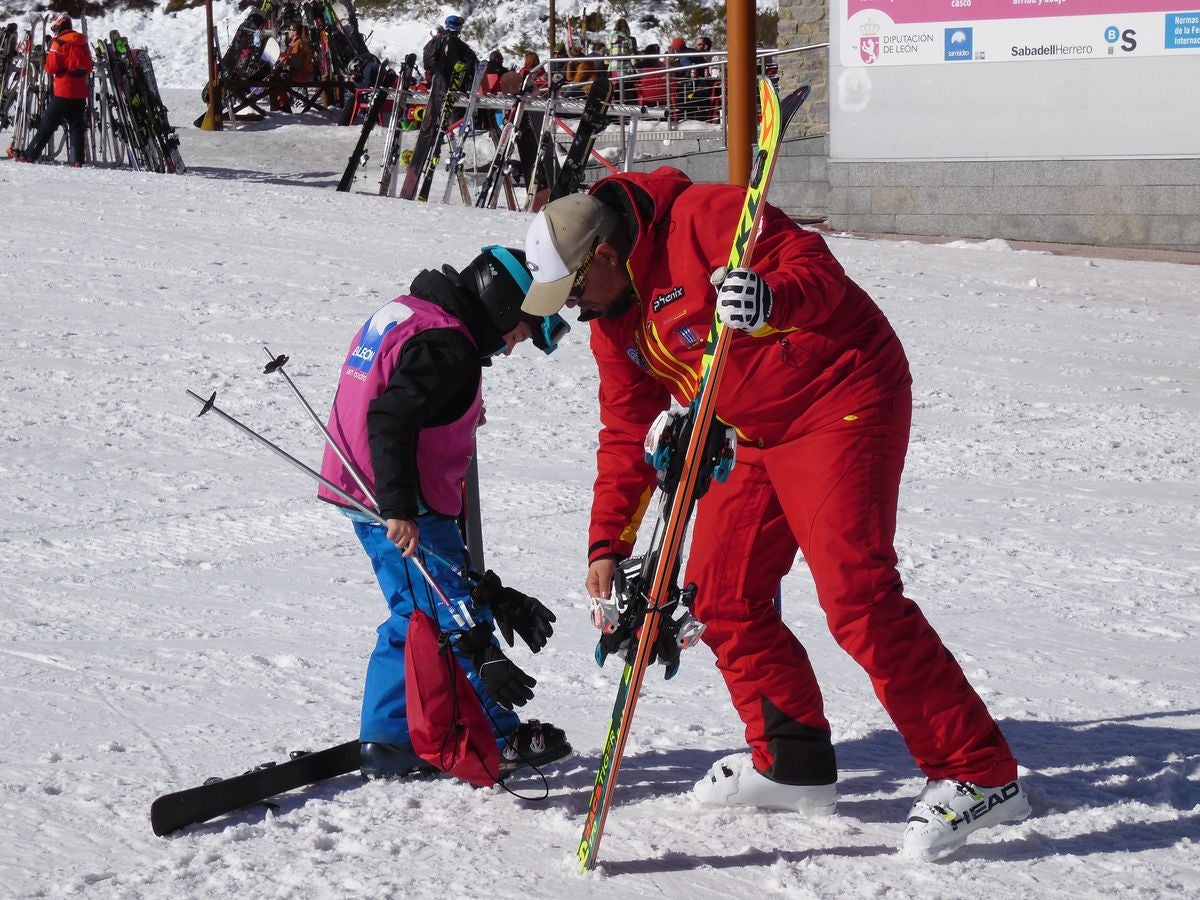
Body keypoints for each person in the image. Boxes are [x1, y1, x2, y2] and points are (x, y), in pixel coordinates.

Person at [518, 171, 1030, 861]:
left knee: (857, 593)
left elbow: (815, 269)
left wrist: (768, 298)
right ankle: (792, 764)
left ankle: (979, 772)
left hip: (840, 394)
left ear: (603, 256)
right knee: (717, 598)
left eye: (574, 290)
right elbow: (624, 433)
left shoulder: (702, 217)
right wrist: (607, 540)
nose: (573, 309)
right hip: (751, 428)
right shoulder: (616, 324)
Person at [318, 246, 573, 781]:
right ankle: (496, 735)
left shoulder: (415, 310)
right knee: (451, 614)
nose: (510, 348)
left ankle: (387, 735)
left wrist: (454, 416)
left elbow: (394, 393)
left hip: (363, 487)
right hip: (400, 504)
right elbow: (389, 417)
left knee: (413, 612)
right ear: (502, 306)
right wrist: (399, 509)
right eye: (520, 333)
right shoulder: (449, 345)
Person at [401, 14, 478, 198]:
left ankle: (426, 149)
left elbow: (427, 60)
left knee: (430, 122)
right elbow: (472, 63)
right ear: (459, 27)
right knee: (444, 118)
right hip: (452, 85)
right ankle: (442, 135)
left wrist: (437, 69)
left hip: (438, 82)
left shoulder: (435, 41)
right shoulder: (459, 45)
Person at [7, 15, 92, 166]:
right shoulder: (82, 41)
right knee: (76, 125)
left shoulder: (58, 43)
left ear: (59, 27)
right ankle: (77, 160)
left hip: (64, 90)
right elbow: (89, 66)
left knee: (48, 123)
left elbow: (51, 67)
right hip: (80, 90)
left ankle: (29, 155)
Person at [269, 23, 317, 111]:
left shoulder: (299, 43)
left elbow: (296, 63)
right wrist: (281, 55)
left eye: (291, 30)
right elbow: (291, 57)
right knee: (275, 77)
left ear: (296, 32)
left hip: (300, 74)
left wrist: (283, 59)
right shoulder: (296, 43)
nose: (289, 31)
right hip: (300, 73)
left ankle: (282, 106)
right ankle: (281, 105)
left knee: (275, 79)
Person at [606, 17, 637, 103]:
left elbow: (607, 52)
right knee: (630, 88)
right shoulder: (628, 40)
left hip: (612, 69)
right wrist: (635, 64)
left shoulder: (609, 37)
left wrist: (608, 63)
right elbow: (631, 55)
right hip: (624, 68)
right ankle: (632, 109)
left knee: (616, 88)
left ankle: (617, 109)